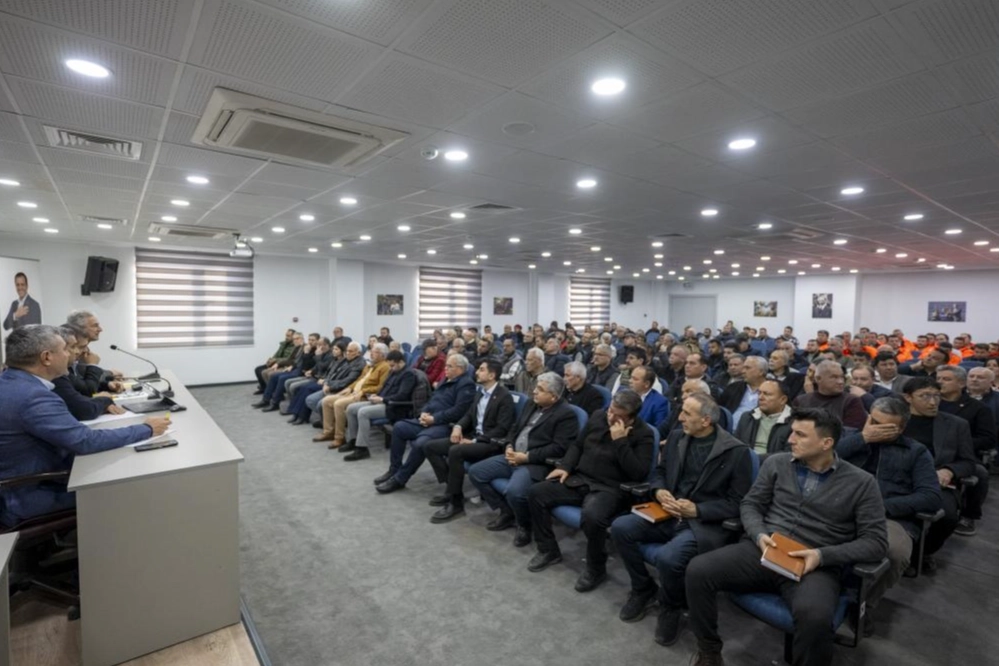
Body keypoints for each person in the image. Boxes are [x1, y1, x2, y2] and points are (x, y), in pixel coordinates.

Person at [684, 408, 887, 666]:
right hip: (765, 548)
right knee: (698, 570)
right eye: (792, 432)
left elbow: (876, 542)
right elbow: (751, 504)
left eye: (800, 435)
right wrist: (759, 534)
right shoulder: (776, 463)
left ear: (826, 443)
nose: (790, 439)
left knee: (815, 618)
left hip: (814, 565)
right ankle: (709, 651)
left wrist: (822, 555)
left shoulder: (862, 483)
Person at [610, 394, 753, 646]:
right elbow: (660, 472)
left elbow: (737, 502)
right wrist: (659, 491)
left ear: (706, 420)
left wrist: (698, 510)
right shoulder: (677, 437)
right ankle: (643, 588)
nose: (680, 417)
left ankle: (671, 606)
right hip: (667, 511)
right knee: (621, 527)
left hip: (701, 523)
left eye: (687, 413)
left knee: (668, 558)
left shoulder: (736, 452)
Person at [0, 325, 169, 527]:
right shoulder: (33, 397)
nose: (71, 355)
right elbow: (85, 441)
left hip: (19, 485)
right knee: (130, 488)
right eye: (65, 349)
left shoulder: (9, 382)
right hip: (28, 495)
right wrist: (146, 429)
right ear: (46, 357)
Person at [525, 390, 654, 593]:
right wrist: (566, 466)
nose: (611, 417)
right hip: (581, 479)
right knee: (536, 493)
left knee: (593, 517)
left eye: (618, 416)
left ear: (631, 417)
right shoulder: (598, 416)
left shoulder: (643, 434)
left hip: (610, 488)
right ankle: (548, 550)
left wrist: (621, 441)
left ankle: (596, 568)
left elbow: (638, 473)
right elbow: (577, 445)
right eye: (610, 410)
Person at [836, 397, 941, 625]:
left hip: (889, 515)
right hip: (841, 506)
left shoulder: (916, 452)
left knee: (894, 552)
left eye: (886, 427)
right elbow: (821, 458)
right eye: (874, 422)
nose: (877, 430)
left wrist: (882, 507)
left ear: (901, 428)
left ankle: (862, 603)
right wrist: (862, 438)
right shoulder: (850, 438)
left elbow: (931, 496)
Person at [468, 373, 580, 546]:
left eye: (540, 389)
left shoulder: (566, 414)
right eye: (536, 387)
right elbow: (515, 429)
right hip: (514, 455)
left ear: (553, 396)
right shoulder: (531, 404)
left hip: (535, 463)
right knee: (476, 472)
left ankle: (524, 525)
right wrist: (509, 446)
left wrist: (527, 457)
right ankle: (507, 512)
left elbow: (559, 448)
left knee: (514, 492)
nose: (534, 391)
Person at [424, 359, 515, 523]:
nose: (476, 372)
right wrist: (458, 426)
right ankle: (452, 489)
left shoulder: (504, 397)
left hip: (490, 443)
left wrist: (474, 440)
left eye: (481, 369)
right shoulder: (480, 392)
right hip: (473, 437)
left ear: (492, 375)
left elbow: (502, 429)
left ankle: (456, 502)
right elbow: (469, 415)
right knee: (430, 447)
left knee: (456, 451)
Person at [900, 378, 976, 568]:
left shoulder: (956, 424)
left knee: (947, 517)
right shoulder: (896, 419)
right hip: (897, 477)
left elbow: (968, 462)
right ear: (908, 398)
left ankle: (923, 552)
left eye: (936, 396)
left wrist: (949, 470)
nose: (933, 402)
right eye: (925, 396)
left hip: (934, 481)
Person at [375, 354, 477, 494]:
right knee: (399, 428)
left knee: (420, 443)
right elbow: (432, 400)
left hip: (445, 425)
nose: (445, 368)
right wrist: (423, 412)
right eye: (446, 365)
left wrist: (434, 419)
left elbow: (459, 411)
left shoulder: (466, 384)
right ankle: (394, 469)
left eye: (449, 366)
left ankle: (400, 479)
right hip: (429, 420)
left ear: (460, 368)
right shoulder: (445, 379)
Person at [313, 343, 390, 448]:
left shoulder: (385, 367)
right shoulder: (369, 366)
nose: (371, 354)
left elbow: (381, 387)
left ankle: (339, 437)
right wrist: (349, 388)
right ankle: (328, 432)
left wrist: (363, 391)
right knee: (327, 400)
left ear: (383, 355)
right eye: (371, 351)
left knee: (339, 404)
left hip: (364, 396)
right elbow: (359, 380)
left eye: (375, 352)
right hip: (353, 392)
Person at [51, 326, 125, 420]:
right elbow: (85, 399)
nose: (84, 351)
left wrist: (106, 385)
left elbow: (78, 385)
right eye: (74, 347)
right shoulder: (56, 374)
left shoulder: (70, 366)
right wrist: (102, 400)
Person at [793, 360, 867, 429]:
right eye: (834, 377)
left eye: (842, 377)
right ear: (818, 379)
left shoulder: (851, 401)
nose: (840, 382)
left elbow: (851, 432)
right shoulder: (801, 401)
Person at [733, 379, 793, 458]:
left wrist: (756, 459)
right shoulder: (747, 417)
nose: (760, 397)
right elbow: (735, 446)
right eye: (759, 393)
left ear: (783, 400)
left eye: (767, 394)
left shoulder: (794, 423)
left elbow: (788, 455)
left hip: (773, 463)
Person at [254, 329, 297, 393]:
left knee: (267, 373)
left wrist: (276, 360)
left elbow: (288, 359)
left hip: (284, 364)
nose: (286, 337)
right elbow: (277, 354)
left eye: (288, 336)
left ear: (293, 337)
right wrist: (271, 359)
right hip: (276, 363)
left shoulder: (294, 347)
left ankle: (272, 390)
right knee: (258, 369)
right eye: (286, 335)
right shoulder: (283, 344)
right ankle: (264, 387)